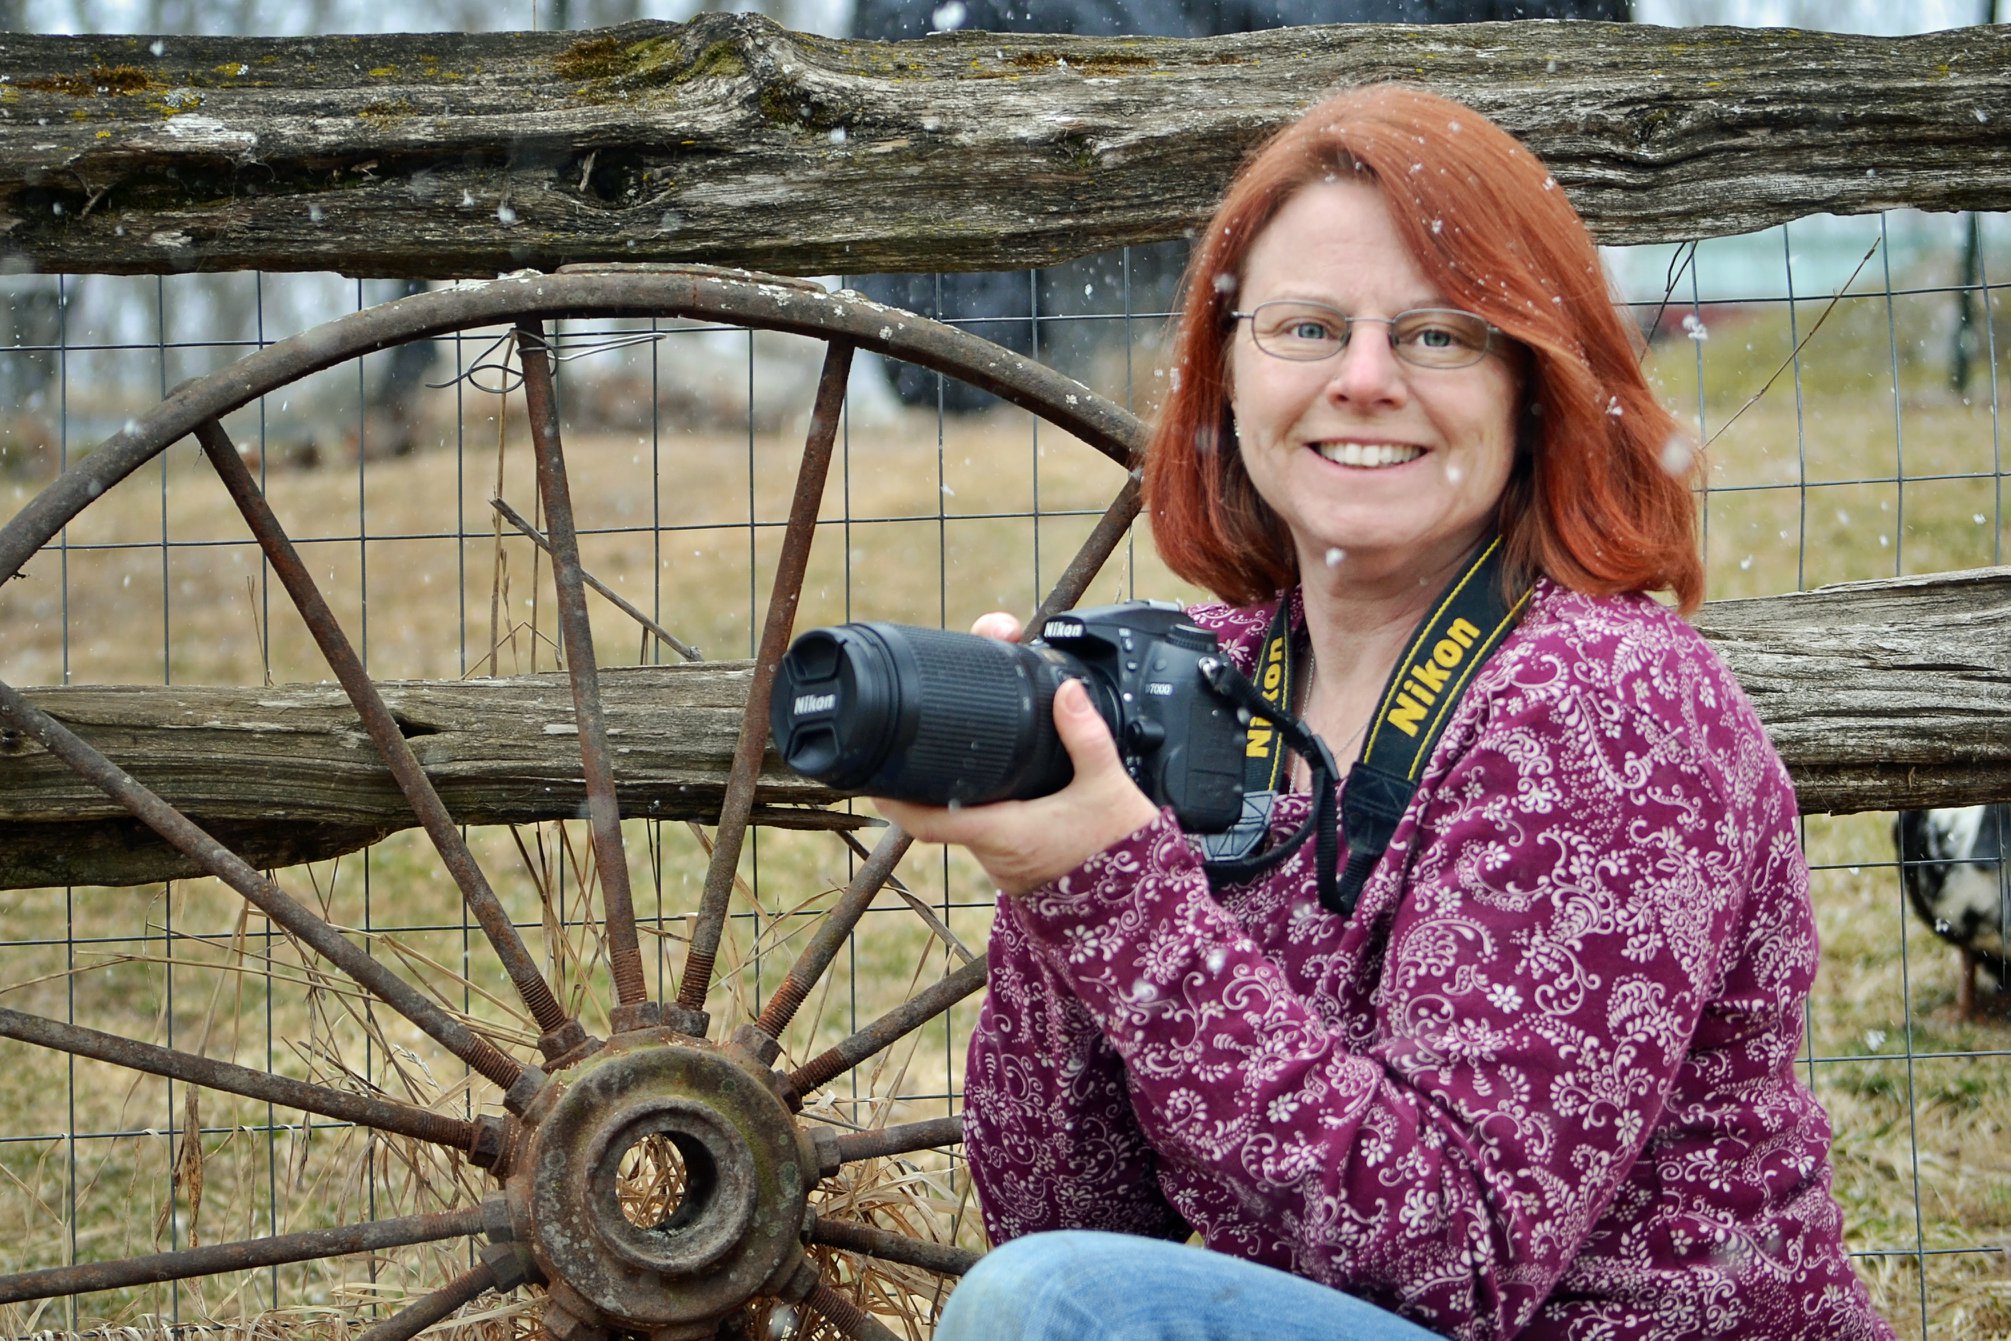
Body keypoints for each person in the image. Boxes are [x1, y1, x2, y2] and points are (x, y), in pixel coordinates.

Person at [879, 85, 1895, 1340]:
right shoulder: (1212, 685)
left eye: (1439, 335)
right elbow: (1065, 1211)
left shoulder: (1612, 706)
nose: (1362, 381)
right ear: (1229, 371)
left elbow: (1454, 1262)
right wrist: (1051, 864)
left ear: (1534, 384)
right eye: (1306, 327)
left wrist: (1116, 898)